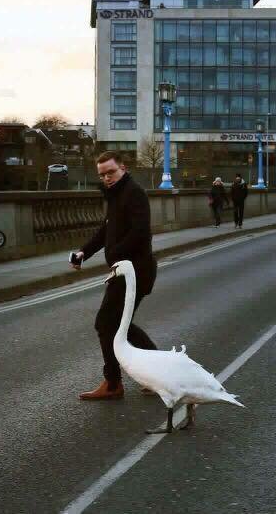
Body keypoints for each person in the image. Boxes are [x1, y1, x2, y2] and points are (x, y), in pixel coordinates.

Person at [71, 151, 157, 400]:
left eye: (111, 172)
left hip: (135, 272)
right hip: (125, 271)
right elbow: (106, 231)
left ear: (123, 168)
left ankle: (113, 383)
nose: (107, 178)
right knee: (120, 325)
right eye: (102, 174)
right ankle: (157, 372)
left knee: (107, 323)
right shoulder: (116, 195)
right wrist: (83, 253)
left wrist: (115, 254)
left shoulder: (134, 193)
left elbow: (141, 232)